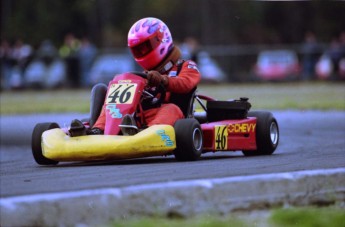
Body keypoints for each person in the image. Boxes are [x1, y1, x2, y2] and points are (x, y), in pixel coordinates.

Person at [72, 17, 201, 136]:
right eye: (137, 50)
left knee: (171, 109)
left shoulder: (186, 66)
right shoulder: (144, 75)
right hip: (139, 117)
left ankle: (149, 133)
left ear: (162, 40)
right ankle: (98, 130)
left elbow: (186, 83)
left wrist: (163, 80)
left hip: (173, 116)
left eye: (145, 48)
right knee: (111, 104)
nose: (142, 53)